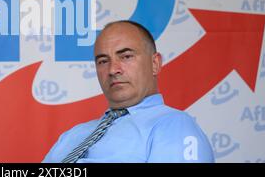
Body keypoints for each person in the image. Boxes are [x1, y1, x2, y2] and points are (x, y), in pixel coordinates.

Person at [43, 20, 215, 163]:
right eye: (103, 61)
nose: (113, 70)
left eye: (126, 57)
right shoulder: (71, 135)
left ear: (155, 64)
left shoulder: (173, 125)